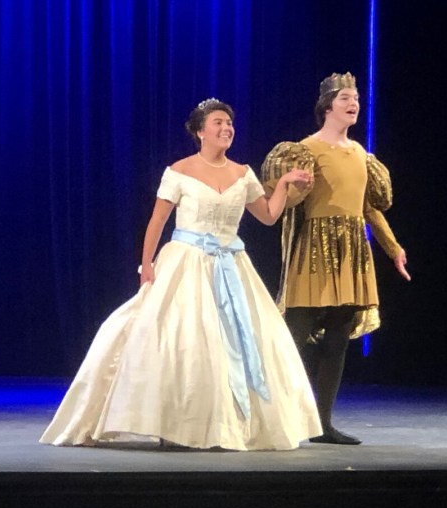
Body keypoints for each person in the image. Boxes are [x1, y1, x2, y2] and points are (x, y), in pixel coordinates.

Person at [40, 98, 321, 451]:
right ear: (201, 131)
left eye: (230, 123)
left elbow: (267, 215)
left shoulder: (243, 173)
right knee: (182, 341)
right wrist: (147, 268)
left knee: (237, 341)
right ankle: (174, 424)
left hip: (231, 266)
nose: (226, 128)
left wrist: (283, 186)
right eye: (218, 122)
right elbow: (157, 222)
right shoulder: (180, 171)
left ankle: (227, 424)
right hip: (185, 264)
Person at [263, 72, 411, 445]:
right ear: (327, 105)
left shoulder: (361, 154)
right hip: (314, 249)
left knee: (337, 341)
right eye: (346, 97)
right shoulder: (304, 150)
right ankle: (275, 417)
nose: (354, 103)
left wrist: (393, 249)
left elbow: (368, 209)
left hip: (351, 253)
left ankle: (322, 423)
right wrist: (294, 186)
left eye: (357, 98)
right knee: (295, 338)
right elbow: (287, 205)